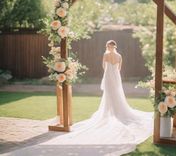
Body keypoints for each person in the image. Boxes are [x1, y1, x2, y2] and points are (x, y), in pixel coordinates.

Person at [17, 40, 154, 156]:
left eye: (108, 46)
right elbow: (119, 68)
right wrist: (112, 71)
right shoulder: (119, 55)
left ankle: (111, 111)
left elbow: (103, 66)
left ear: (109, 46)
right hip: (115, 77)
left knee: (109, 94)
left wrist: (108, 71)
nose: (109, 48)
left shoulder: (106, 54)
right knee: (116, 93)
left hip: (108, 76)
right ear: (115, 46)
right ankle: (117, 111)